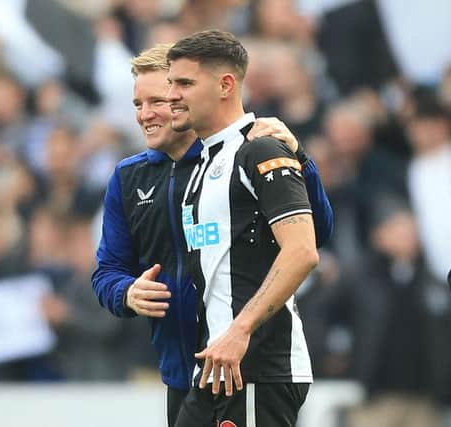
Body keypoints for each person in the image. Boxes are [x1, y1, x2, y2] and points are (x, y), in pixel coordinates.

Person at [92, 42, 333, 426]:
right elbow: (107, 271)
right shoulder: (129, 177)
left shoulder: (246, 152)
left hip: (248, 361)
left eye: (164, 97)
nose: (147, 114)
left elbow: (311, 236)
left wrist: (299, 158)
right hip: (186, 369)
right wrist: (126, 292)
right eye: (139, 104)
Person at [165, 30, 318, 427]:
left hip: (256, 369)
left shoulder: (261, 149)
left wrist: (240, 330)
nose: (172, 95)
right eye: (171, 84)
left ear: (225, 85)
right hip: (215, 368)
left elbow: (302, 250)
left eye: (184, 83)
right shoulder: (199, 167)